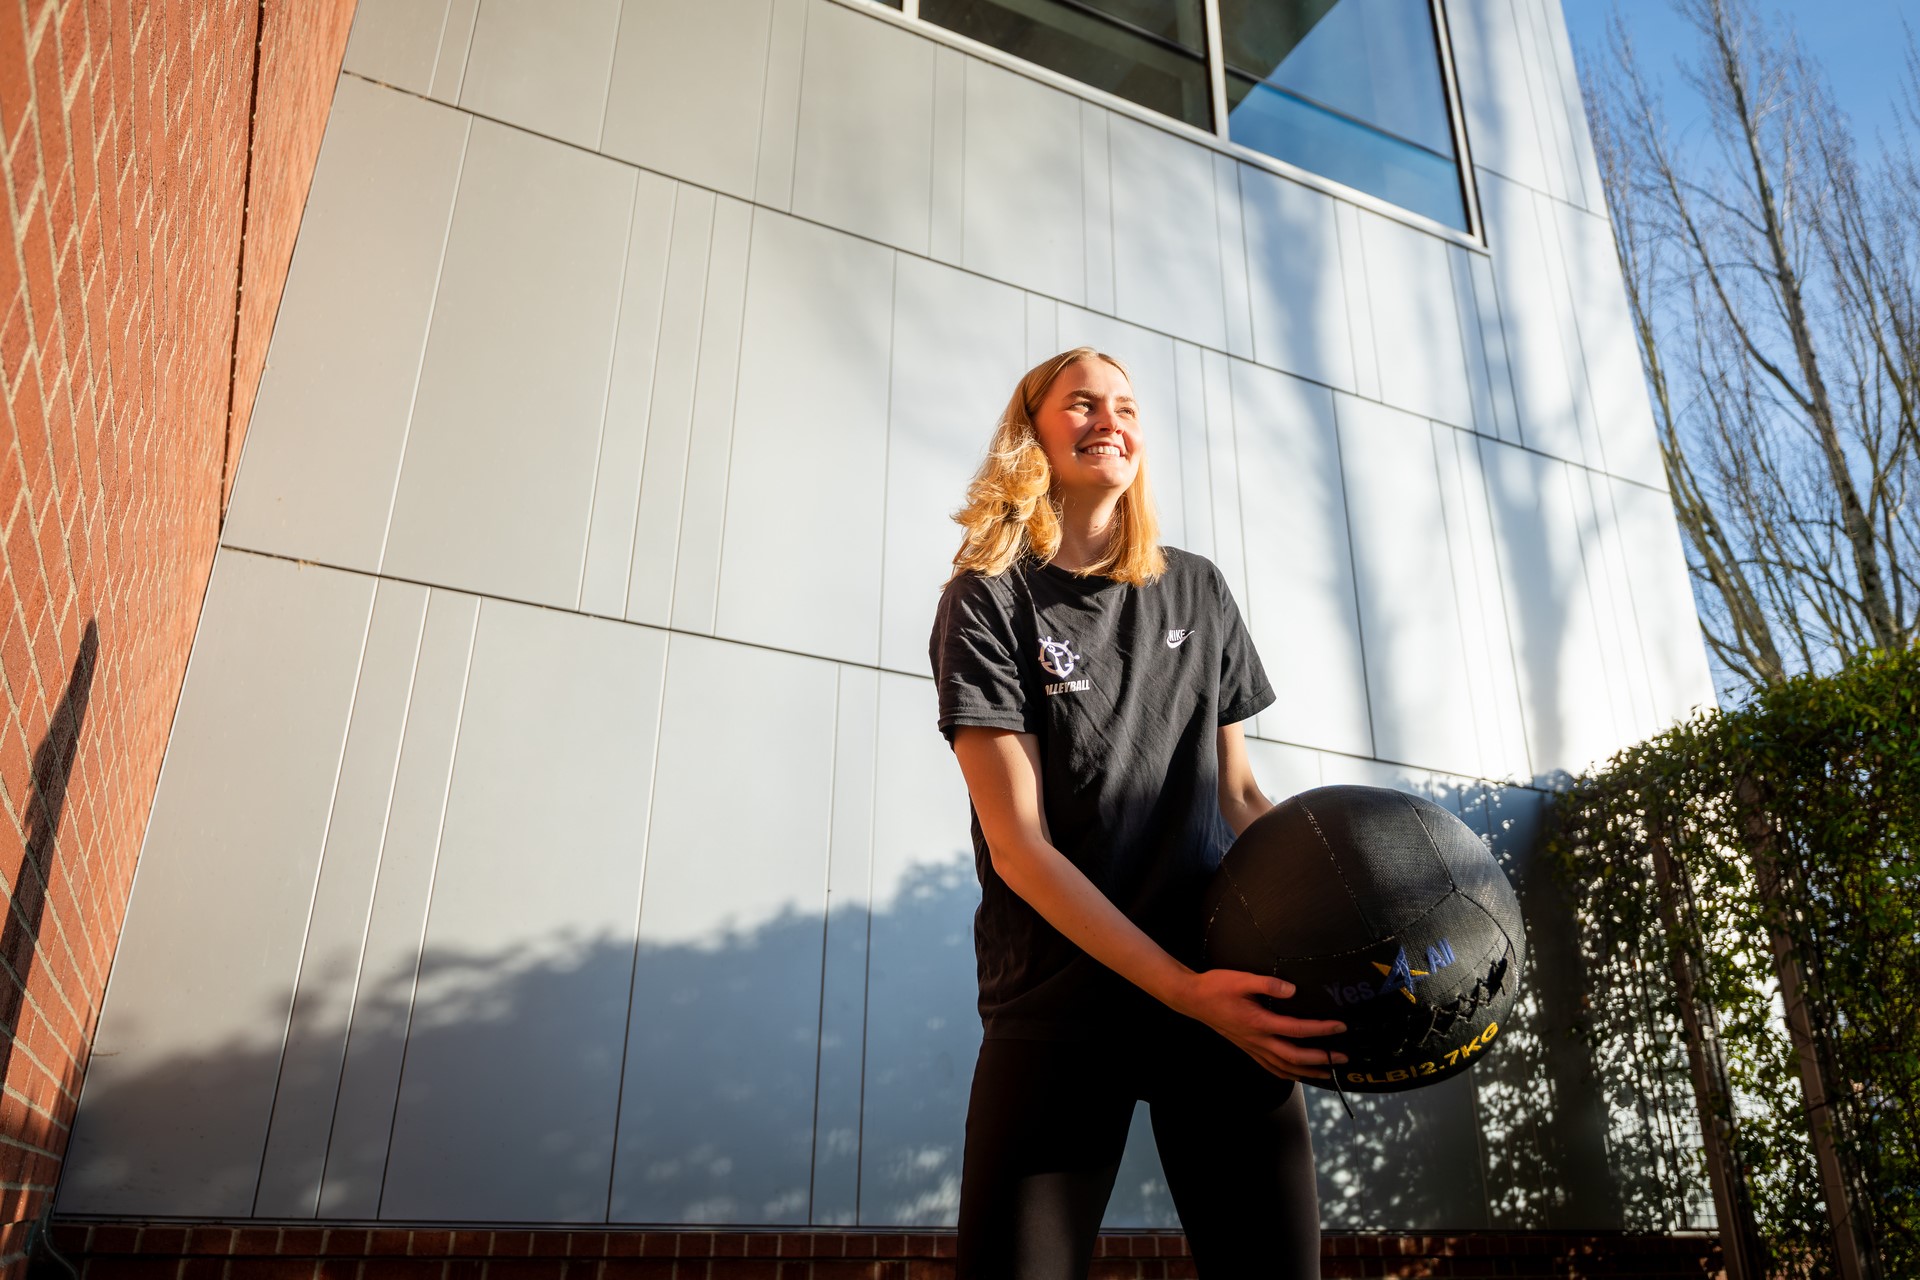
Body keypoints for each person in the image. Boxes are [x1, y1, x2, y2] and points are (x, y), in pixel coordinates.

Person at [927, 346, 1343, 1279]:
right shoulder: (988, 602)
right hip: (1060, 1002)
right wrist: (1179, 988)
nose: (1109, 417)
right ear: (1030, 433)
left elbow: (1237, 796)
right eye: (1080, 403)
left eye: (1124, 404)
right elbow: (1022, 848)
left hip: (1221, 991)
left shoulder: (1194, 586)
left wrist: (1343, 904)